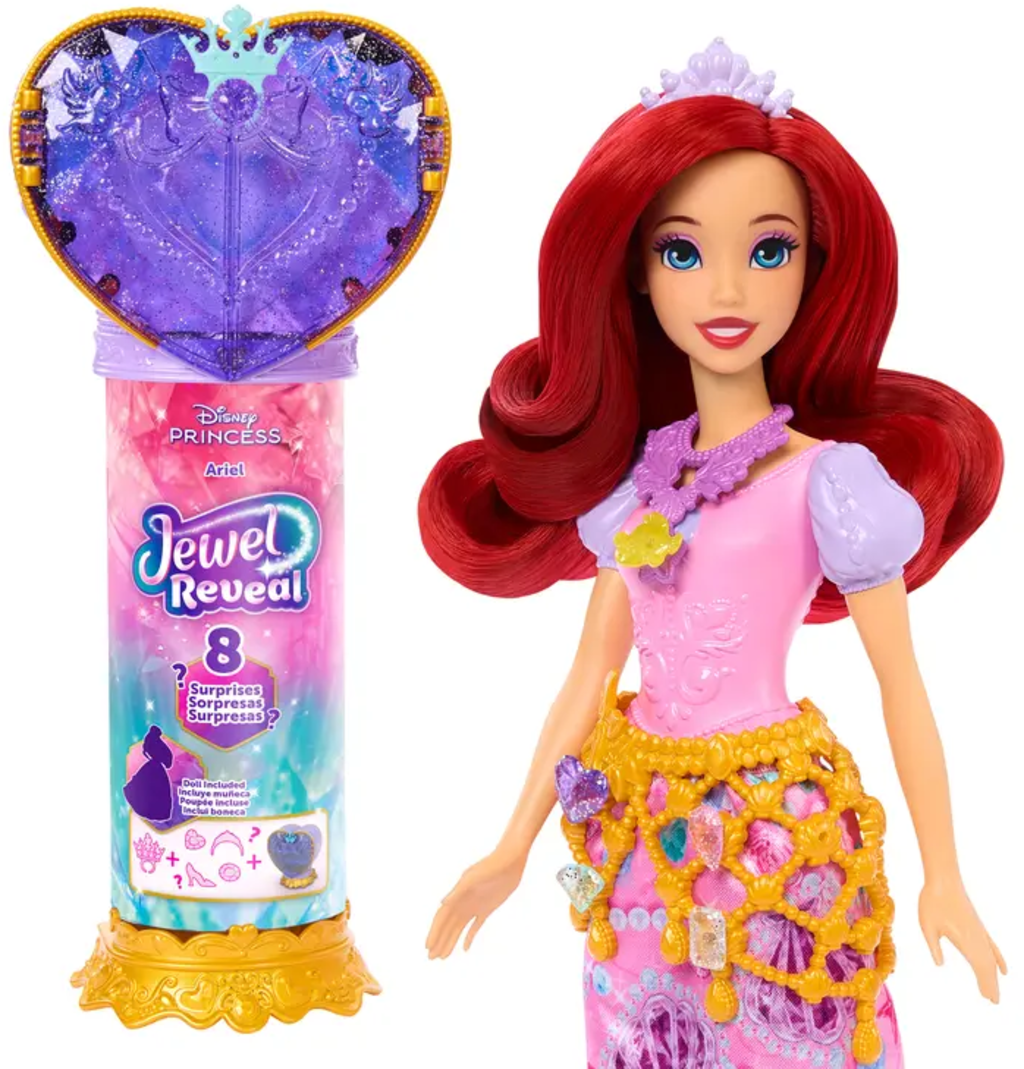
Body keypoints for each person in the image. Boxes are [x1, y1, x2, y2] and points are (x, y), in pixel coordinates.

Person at [419, 39, 1006, 1069]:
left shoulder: (829, 480)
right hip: (639, 835)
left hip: (774, 827)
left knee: (789, 1027)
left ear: (815, 267)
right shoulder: (640, 484)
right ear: (639, 277)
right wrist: (511, 844)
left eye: (768, 250)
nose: (727, 287)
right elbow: (590, 674)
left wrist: (944, 873)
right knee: (644, 1036)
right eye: (684, 253)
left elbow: (902, 684)